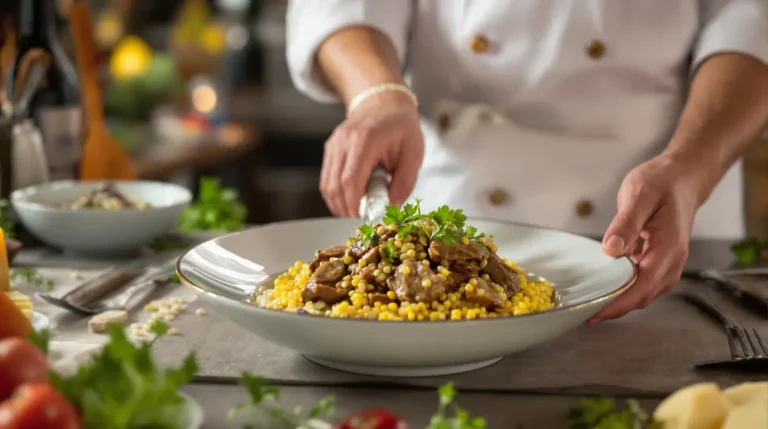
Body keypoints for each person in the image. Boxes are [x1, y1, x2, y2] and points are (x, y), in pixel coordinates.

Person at [285, 1, 768, 323]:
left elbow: (750, 17)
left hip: (661, 224)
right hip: (452, 193)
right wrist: (377, 94)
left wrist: (691, 167)